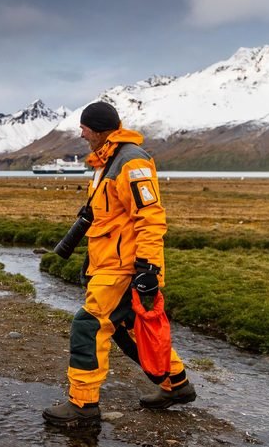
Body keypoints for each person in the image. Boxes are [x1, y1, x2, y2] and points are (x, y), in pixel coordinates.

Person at [44, 102, 196, 429]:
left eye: (85, 127)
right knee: (130, 333)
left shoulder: (132, 161)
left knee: (89, 325)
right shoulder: (106, 161)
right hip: (108, 262)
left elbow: (150, 218)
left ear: (99, 128)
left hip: (124, 266)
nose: (81, 133)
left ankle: (83, 405)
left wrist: (148, 268)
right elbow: (108, 215)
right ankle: (177, 385)